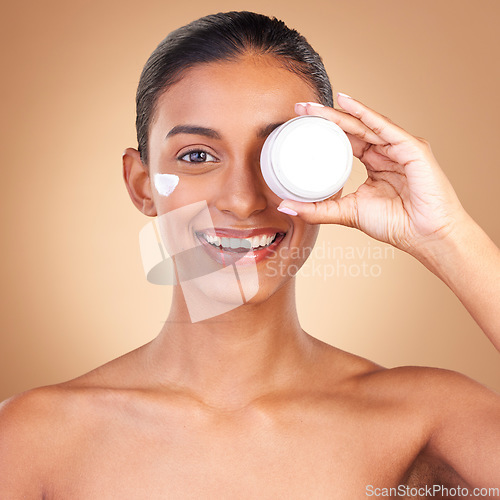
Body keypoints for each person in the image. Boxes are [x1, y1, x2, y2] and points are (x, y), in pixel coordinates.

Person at [0, 11, 499, 498]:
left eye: (277, 155)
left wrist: (445, 235)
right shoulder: (32, 438)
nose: (243, 199)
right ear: (142, 184)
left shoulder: (422, 423)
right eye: (198, 156)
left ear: (326, 172)